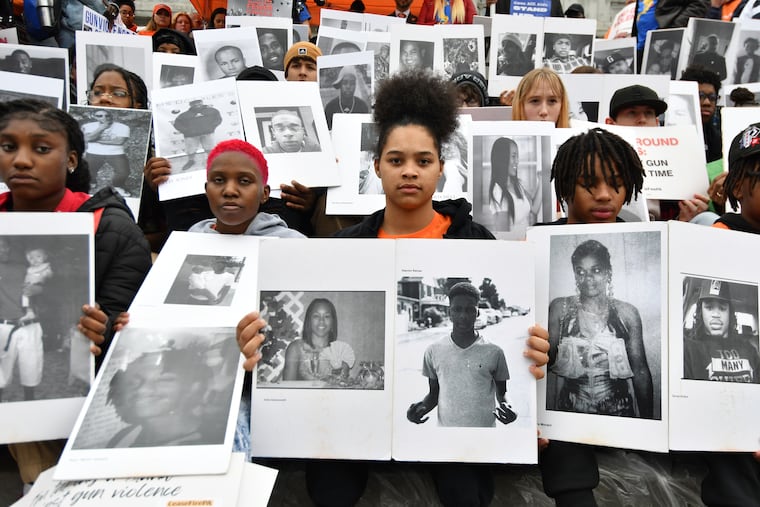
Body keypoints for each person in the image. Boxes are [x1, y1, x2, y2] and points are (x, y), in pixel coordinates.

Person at [240, 71, 551, 507]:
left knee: (465, 486)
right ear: (376, 167)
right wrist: (259, 344)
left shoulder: (475, 241)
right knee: (330, 478)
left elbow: (519, 346)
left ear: (442, 168)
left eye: (423, 161)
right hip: (359, 417)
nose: (410, 171)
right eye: (396, 159)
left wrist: (532, 350)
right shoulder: (342, 248)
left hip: (447, 423)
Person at [0, 98, 151, 490]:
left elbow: (130, 333)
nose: (21, 160)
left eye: (41, 148)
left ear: (71, 160)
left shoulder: (113, 229)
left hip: (83, 396)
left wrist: (105, 329)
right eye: (8, 146)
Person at [539, 128, 648, 506]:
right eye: (589, 184)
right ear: (566, 186)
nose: (605, 195)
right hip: (567, 420)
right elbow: (542, 365)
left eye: (617, 184)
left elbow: (642, 370)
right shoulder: (533, 244)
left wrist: (651, 425)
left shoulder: (648, 237)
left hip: (621, 409)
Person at [547, 239, 653, 417]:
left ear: (607, 273)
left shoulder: (627, 314)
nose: (588, 279)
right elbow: (546, 361)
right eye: (581, 271)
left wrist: (649, 425)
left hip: (619, 414)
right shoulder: (560, 308)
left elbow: (640, 372)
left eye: (596, 270)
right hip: (570, 414)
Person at [407, 282, 516, 427]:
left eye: (470, 310)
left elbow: (502, 394)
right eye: (457, 309)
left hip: (484, 433)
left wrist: (509, 408)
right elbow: (433, 395)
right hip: (447, 434)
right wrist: (419, 409)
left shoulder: (495, 352)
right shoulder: (434, 350)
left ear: (477, 312)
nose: (463, 316)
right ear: (449, 312)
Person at [683, 278, 760, 383]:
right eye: (709, 308)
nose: (716, 315)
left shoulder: (750, 350)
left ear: (730, 313)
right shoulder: (689, 349)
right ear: (701, 312)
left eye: (722, 308)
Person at [0, 238, 43, 403]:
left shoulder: (23, 267)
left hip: (29, 326)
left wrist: (38, 289)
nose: (3, 251)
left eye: (5, 247)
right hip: (3, 327)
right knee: (1, 375)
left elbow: (51, 285)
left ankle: (29, 405)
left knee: (30, 371)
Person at [282, 298, 356, 381]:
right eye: (316, 316)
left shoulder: (340, 352)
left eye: (327, 316)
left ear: (332, 322)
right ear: (308, 320)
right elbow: (288, 388)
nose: (321, 321)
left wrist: (343, 373)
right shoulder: (295, 348)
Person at [487, 137, 540, 233]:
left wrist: (542, 180)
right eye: (513, 156)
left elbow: (534, 209)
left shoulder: (516, 185)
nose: (517, 161)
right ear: (502, 159)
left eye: (517, 157)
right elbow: (504, 238)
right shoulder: (498, 192)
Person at [81, 109, 131, 196]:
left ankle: (118, 186)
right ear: (94, 116)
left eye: (107, 115)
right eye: (99, 116)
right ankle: (92, 182)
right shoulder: (88, 126)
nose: (104, 118)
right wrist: (101, 128)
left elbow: (119, 141)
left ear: (112, 116)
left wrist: (96, 140)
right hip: (93, 152)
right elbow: (87, 139)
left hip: (116, 153)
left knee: (123, 172)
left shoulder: (123, 127)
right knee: (89, 170)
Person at [681, 65, 723, 163]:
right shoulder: (667, 134)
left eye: (712, 97)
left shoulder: (717, 139)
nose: (707, 103)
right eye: (700, 96)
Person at [173, 99, 222, 171]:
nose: (196, 104)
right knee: (191, 150)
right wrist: (186, 131)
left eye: (198, 102)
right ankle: (191, 161)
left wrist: (211, 127)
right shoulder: (184, 115)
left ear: (202, 102)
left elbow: (218, 119)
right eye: (194, 103)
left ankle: (212, 160)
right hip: (191, 136)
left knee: (210, 148)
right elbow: (177, 124)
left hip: (208, 133)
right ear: (190, 105)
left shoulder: (212, 111)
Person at [21, 247, 53, 321]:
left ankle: (40, 315)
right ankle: (29, 311)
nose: (35, 260)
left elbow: (49, 275)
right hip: (30, 287)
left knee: (40, 302)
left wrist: (45, 275)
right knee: (25, 297)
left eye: (38, 256)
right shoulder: (30, 269)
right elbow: (27, 277)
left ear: (45, 257)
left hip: (40, 286)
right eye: (31, 258)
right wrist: (26, 283)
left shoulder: (46, 266)